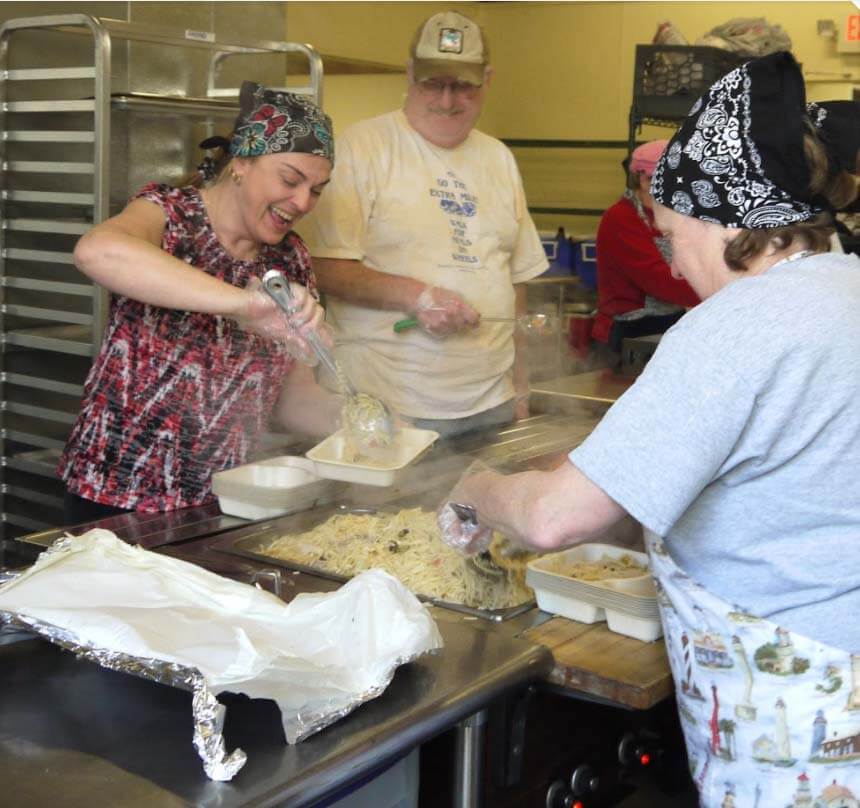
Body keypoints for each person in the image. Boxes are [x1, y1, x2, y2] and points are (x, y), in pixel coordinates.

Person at [438, 52, 860, 807]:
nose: (673, 258)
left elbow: (553, 517)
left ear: (718, 215)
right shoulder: (844, 288)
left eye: (670, 234)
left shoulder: (737, 325)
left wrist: (478, 489)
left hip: (794, 715)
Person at [58, 82, 343, 521]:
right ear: (242, 163)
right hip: (114, 496)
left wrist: (365, 423)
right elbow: (96, 251)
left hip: (226, 503)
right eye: (290, 179)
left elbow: (292, 399)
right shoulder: (170, 216)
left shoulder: (291, 259)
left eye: (317, 189)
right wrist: (247, 306)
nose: (303, 201)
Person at [301, 10, 548, 438]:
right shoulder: (364, 147)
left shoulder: (498, 159)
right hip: (389, 406)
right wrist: (417, 296)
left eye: (463, 86)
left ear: (487, 79)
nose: (447, 100)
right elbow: (322, 267)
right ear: (411, 73)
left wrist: (521, 390)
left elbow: (515, 284)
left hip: (492, 403)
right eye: (433, 83)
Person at [593, 139, 699, 356]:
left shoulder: (671, 215)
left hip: (669, 321)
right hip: (629, 331)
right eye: (674, 181)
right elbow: (657, 278)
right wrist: (716, 291)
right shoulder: (621, 218)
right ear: (645, 181)